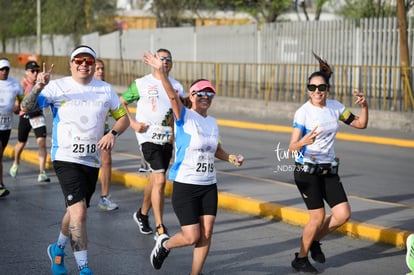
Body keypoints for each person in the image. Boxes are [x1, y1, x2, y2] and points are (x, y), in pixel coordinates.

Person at [20, 45, 129, 275]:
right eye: (78, 61)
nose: (83, 65)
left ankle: (57, 248)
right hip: (65, 158)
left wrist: (112, 133)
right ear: (71, 64)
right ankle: (83, 268)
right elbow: (25, 107)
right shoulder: (57, 87)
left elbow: (123, 119)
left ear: (93, 64)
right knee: (80, 213)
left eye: (88, 61)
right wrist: (39, 85)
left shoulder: (105, 90)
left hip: (91, 161)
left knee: (73, 212)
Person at [142, 50, 244, 274]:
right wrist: (161, 72)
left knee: (207, 233)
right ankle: (165, 244)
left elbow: (215, 149)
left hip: (208, 185)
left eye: (210, 93)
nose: (205, 97)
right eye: (200, 93)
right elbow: (171, 96)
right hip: (186, 185)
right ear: (192, 95)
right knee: (192, 236)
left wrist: (230, 157)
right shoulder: (184, 116)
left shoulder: (213, 122)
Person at [288, 53, 368, 274]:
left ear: (327, 90)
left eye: (321, 88)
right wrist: (304, 140)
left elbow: (360, 124)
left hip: (328, 170)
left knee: (343, 214)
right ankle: (301, 259)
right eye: (312, 88)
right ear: (307, 89)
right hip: (306, 171)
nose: (316, 92)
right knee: (318, 216)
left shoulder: (335, 107)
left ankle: (313, 241)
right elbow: (292, 147)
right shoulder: (303, 112)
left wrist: (365, 106)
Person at [120, 48, 184, 238]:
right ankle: (160, 227)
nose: (165, 62)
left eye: (168, 59)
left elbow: (182, 109)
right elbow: (121, 102)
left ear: (171, 64)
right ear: (154, 61)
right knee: (160, 180)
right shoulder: (141, 83)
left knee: (156, 178)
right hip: (147, 138)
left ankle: (142, 213)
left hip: (166, 139)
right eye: (161, 58)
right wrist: (132, 123)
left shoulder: (177, 86)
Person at [9, 61, 50, 182]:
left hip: (37, 115)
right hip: (25, 116)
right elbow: (18, 102)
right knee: (21, 143)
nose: (35, 73)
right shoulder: (22, 85)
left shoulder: (41, 83)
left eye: (37, 71)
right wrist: (16, 106)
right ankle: (16, 162)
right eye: (33, 71)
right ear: (26, 72)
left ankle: (42, 172)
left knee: (42, 142)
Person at [93, 58, 118, 211]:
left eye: (102, 68)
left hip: (104, 130)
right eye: (97, 69)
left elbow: (118, 112)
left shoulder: (107, 88)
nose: (101, 71)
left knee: (106, 159)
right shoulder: (84, 88)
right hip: (85, 133)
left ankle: (104, 196)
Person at [0, 58, 22, 198]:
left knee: (0, 156)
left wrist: (17, 106)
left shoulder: (14, 83)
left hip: (6, 125)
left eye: (6, 69)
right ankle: (0, 185)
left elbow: (19, 98)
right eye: (2, 69)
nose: (4, 72)